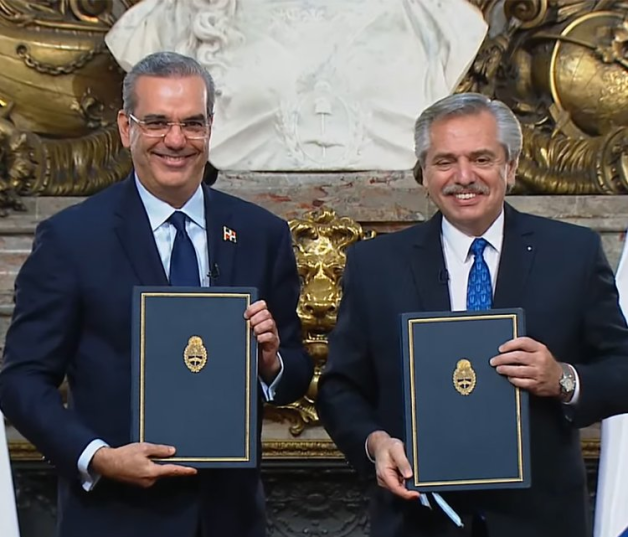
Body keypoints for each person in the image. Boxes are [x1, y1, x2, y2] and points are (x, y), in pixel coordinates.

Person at [0, 51, 313, 537]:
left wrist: (271, 363)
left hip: (229, 518)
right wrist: (98, 457)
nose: (175, 140)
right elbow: (21, 379)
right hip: (114, 516)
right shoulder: (72, 239)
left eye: (192, 123)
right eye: (157, 122)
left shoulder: (259, 233)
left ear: (211, 127)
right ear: (126, 129)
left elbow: (292, 373)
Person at [316, 92, 628, 537]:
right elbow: (340, 388)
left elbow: (623, 367)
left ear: (511, 166)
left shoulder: (572, 253)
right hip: (416, 520)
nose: (464, 177)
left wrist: (563, 379)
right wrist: (374, 443)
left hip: (540, 521)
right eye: (445, 161)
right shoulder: (375, 265)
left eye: (482, 158)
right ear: (423, 172)